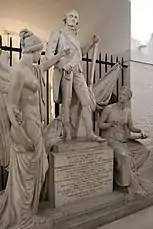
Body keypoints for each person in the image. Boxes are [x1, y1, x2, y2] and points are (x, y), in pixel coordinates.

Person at [0, 29, 69, 229]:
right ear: (32, 50)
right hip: (26, 128)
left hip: (35, 125)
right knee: (26, 175)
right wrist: (20, 134)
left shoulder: (32, 69)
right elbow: (11, 105)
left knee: (41, 168)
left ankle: (29, 213)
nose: (41, 55)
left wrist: (59, 56)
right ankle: (23, 220)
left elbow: (45, 65)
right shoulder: (19, 72)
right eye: (40, 51)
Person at [45, 9, 105, 142]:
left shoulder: (75, 37)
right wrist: (61, 64)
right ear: (65, 18)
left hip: (77, 71)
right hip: (66, 71)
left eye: (76, 17)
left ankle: (90, 133)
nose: (73, 18)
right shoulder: (58, 33)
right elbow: (49, 53)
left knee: (86, 102)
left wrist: (91, 43)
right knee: (66, 103)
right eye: (71, 16)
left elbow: (79, 55)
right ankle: (67, 134)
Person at [98, 86, 150, 195]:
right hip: (110, 139)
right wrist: (109, 124)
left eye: (124, 95)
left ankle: (128, 172)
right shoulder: (109, 108)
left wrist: (140, 132)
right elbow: (99, 124)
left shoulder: (127, 111)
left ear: (128, 98)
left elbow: (131, 127)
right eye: (120, 93)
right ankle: (127, 183)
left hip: (123, 139)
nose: (121, 96)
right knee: (124, 156)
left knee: (144, 150)